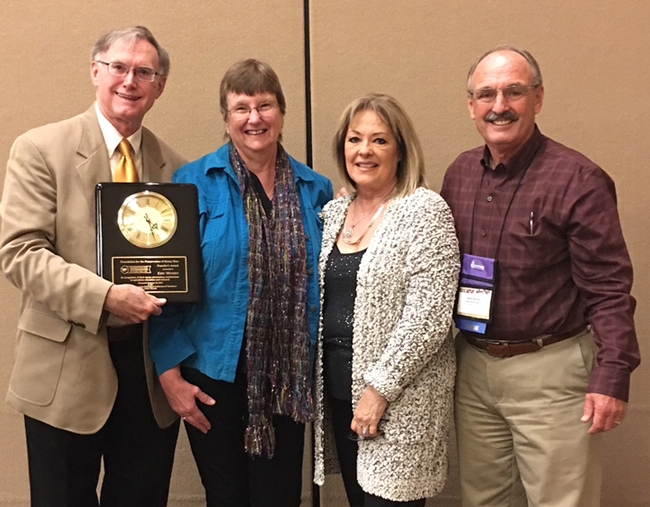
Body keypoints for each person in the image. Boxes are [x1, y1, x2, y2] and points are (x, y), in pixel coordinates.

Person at [440, 46, 640, 507]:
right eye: (486, 94)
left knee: (561, 500)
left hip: (551, 370)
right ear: (471, 105)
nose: (499, 106)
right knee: (483, 499)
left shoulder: (578, 179)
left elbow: (609, 290)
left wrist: (612, 374)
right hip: (474, 365)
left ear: (538, 98)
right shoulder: (459, 174)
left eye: (514, 92)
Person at [0, 26, 185, 507]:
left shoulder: (176, 169)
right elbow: (21, 253)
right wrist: (105, 296)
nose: (130, 81)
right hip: (64, 368)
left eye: (145, 71)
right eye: (118, 68)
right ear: (95, 72)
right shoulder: (40, 148)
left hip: (147, 377)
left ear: (159, 85)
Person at [148, 58, 333, 507]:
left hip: (289, 374)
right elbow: (165, 284)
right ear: (226, 118)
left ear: (282, 113)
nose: (254, 118)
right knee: (225, 496)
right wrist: (168, 372)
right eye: (241, 107)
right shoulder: (191, 183)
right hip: (213, 374)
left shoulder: (317, 190)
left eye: (265, 105)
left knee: (280, 496)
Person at [313, 93, 460, 507]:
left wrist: (378, 392)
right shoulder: (335, 213)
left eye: (379, 140)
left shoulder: (425, 211)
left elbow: (428, 319)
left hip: (400, 404)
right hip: (341, 395)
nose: (364, 151)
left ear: (400, 149)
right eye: (354, 139)